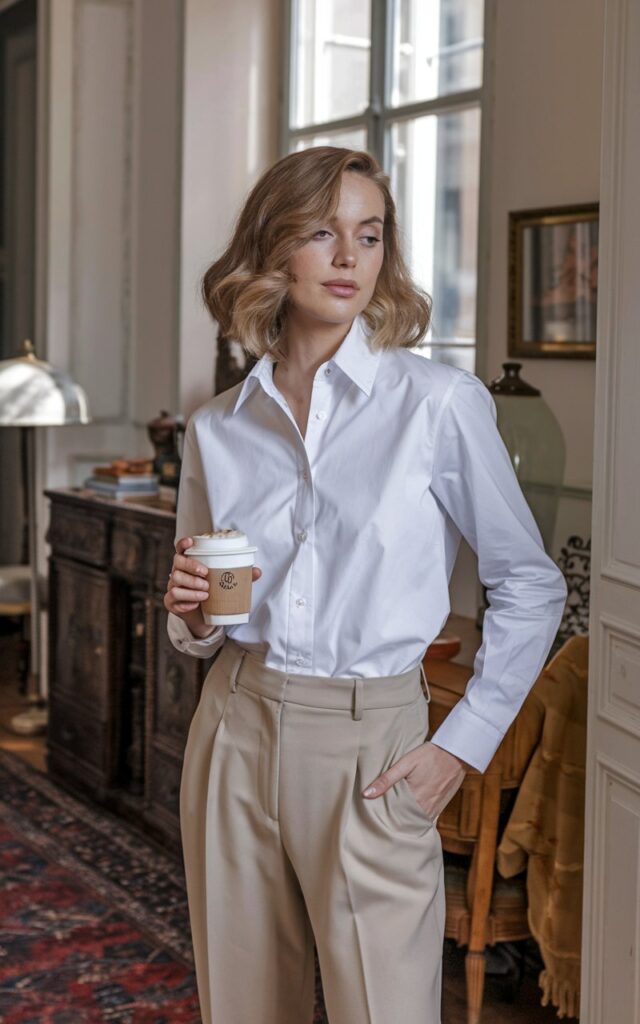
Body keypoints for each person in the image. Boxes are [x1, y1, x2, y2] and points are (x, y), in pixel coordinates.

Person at [164, 146, 568, 1024]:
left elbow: (530, 584)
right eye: (322, 232)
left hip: (372, 746)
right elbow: (201, 619)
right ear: (272, 247)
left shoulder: (437, 404)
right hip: (235, 725)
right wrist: (191, 614)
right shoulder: (217, 428)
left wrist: (461, 747)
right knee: (243, 1008)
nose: (350, 256)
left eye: (370, 233)